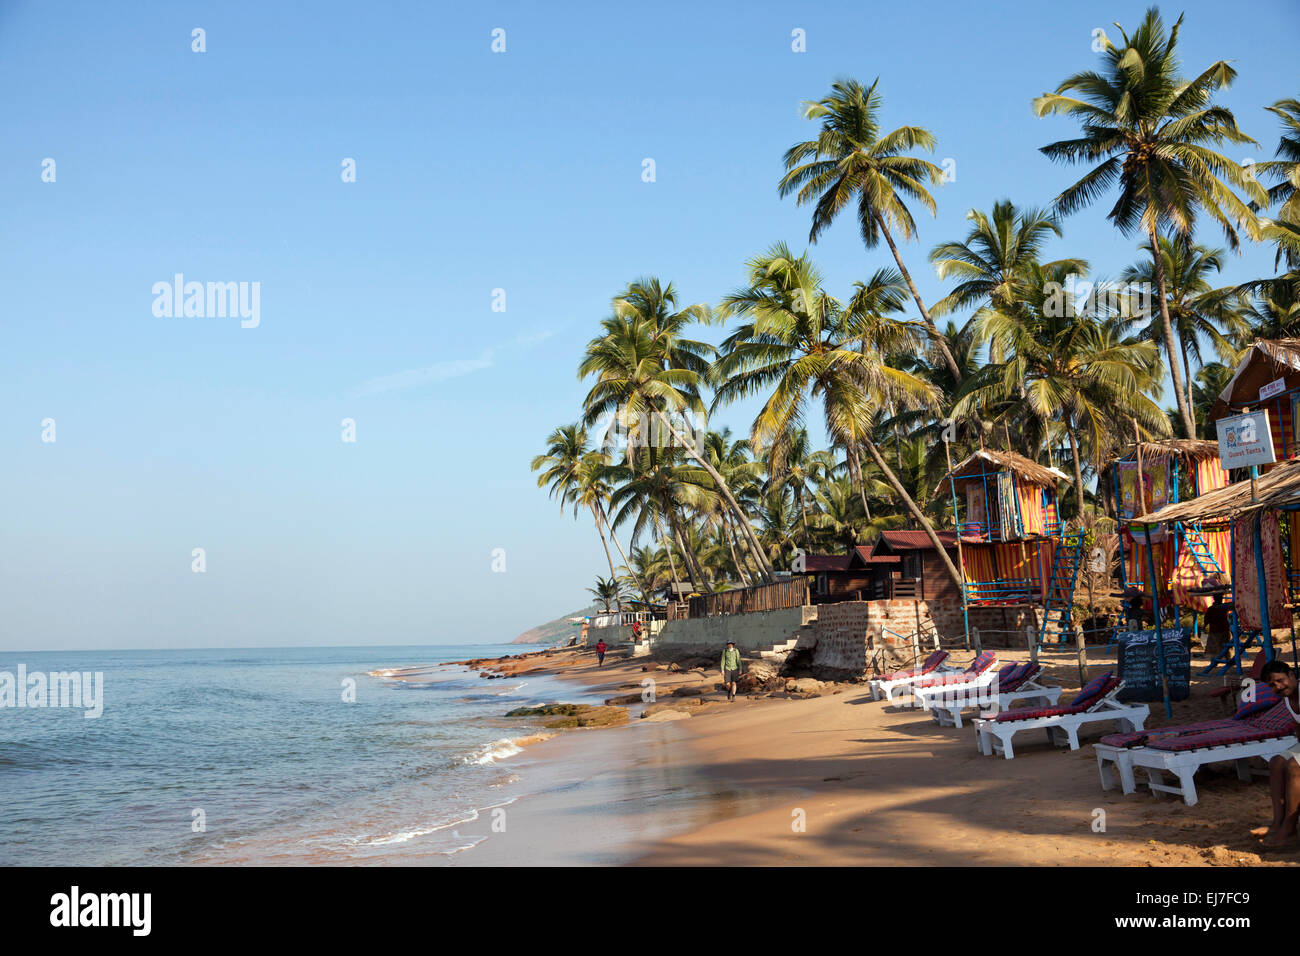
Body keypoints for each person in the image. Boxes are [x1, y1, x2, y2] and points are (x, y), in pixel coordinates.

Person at [1255, 660, 1300, 848]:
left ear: (1291, 675)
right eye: (1272, 685)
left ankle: (1289, 828)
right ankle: (1278, 822)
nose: (1278, 687)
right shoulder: (1288, 699)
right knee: (1276, 762)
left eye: (1281, 680)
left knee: (1294, 766)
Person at [1201, 593, 1231, 659]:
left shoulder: (1218, 608)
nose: (1220, 600)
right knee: (1221, 646)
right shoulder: (1222, 608)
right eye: (1219, 598)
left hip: (1219, 630)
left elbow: (1206, 620)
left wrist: (1204, 627)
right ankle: (1222, 659)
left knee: (1219, 646)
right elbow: (1207, 620)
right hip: (1219, 630)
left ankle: (1221, 659)